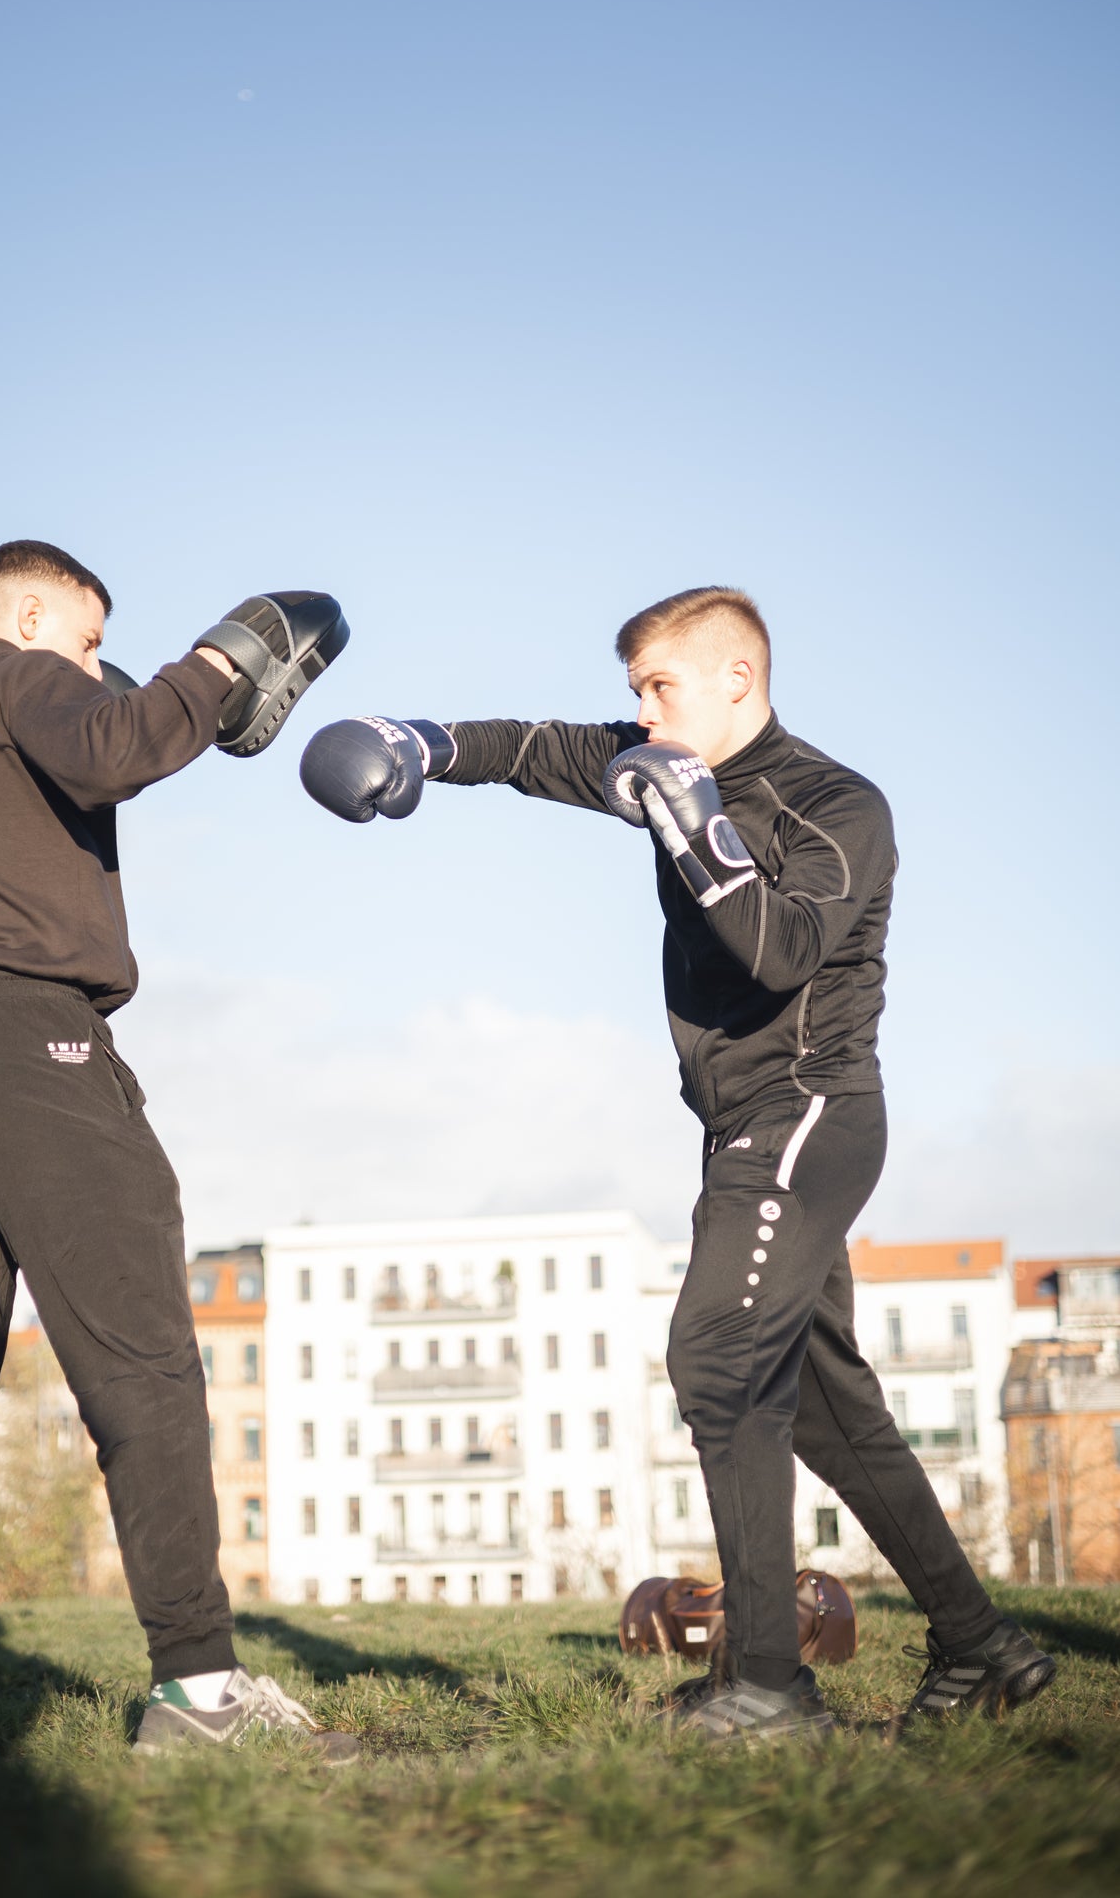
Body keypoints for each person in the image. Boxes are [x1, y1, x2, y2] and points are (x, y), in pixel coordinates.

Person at [299, 583, 1055, 1741]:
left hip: (807, 1110)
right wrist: (421, 742)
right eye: (634, 691)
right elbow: (538, 748)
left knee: (715, 1356)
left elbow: (781, 950)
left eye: (661, 687)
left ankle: (767, 1682)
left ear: (736, 679)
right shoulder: (657, 761)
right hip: (734, 1122)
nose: (642, 713)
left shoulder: (836, 803)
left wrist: (696, 823)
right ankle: (978, 1642)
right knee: (819, 1409)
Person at [0, 541, 356, 1764]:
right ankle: (200, 1692)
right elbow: (115, 743)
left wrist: (151, 703)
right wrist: (224, 654)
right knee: (141, 1354)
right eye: (89, 641)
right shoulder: (12, 675)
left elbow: (80, 760)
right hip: (25, 1037)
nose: (97, 668)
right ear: (31, 612)